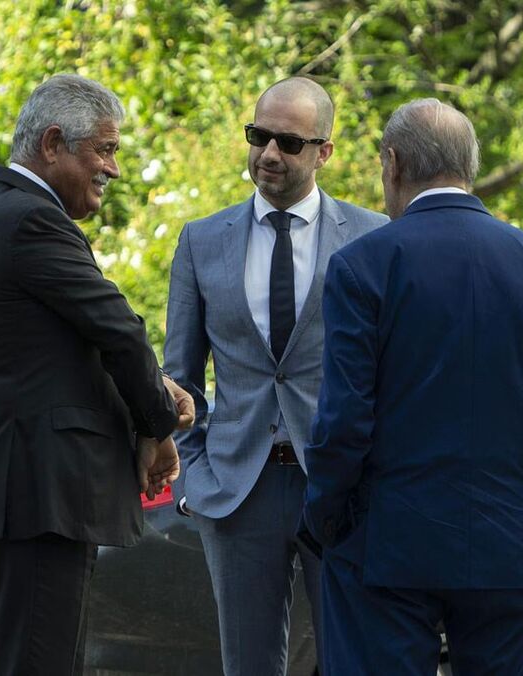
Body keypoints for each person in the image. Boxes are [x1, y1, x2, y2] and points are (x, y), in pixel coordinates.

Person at [301, 98, 523, 675]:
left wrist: (327, 517)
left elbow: (343, 419)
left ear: (392, 163)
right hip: (509, 540)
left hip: (384, 545)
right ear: (469, 166)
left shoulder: (363, 264)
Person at [0, 73, 194, 675]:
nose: (114, 169)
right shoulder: (30, 220)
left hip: (27, 496)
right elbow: (119, 329)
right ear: (53, 143)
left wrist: (155, 397)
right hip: (36, 496)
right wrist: (158, 424)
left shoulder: (7, 215)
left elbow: (57, 352)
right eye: (104, 150)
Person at [162, 76, 386, 675]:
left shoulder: (374, 238)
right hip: (237, 491)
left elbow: (394, 373)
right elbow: (179, 378)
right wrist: (195, 482)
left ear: (324, 151)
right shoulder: (202, 240)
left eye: (288, 143)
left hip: (343, 486)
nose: (268, 154)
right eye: (258, 136)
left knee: (354, 661)